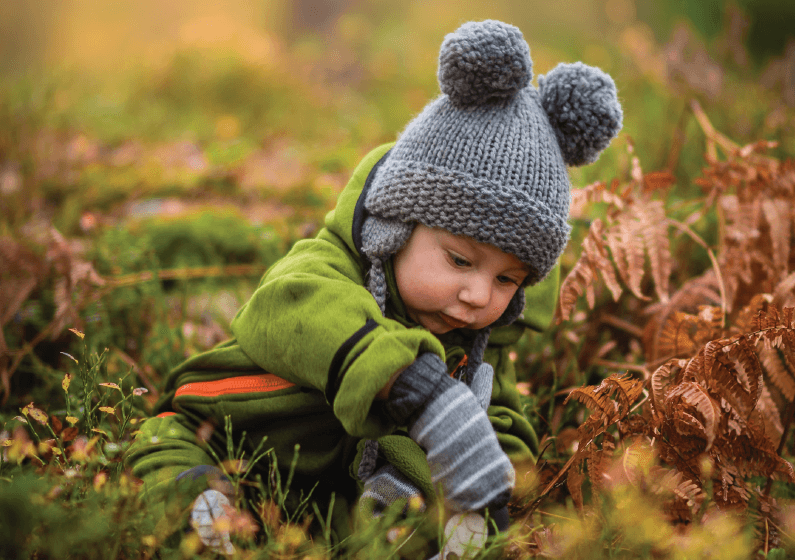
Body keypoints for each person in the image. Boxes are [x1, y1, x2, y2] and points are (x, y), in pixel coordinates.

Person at [126, 19, 622, 557]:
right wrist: (416, 387)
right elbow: (292, 308)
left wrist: (485, 492)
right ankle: (208, 522)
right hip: (217, 433)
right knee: (178, 472)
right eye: (459, 260)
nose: (479, 296)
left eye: (507, 279)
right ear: (395, 227)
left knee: (422, 513)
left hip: (327, 500)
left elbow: (499, 417)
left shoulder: (477, 343)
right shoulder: (325, 271)